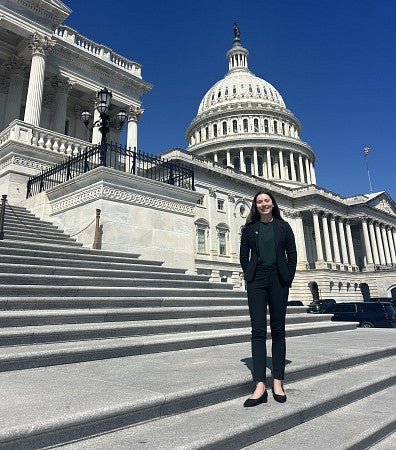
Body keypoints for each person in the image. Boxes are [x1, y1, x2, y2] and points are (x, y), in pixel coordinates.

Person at [239, 190, 297, 407]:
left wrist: (288, 276)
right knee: (258, 331)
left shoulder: (284, 226)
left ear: (273, 204)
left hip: (278, 278)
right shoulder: (250, 229)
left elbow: (292, 254)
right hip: (257, 278)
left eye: (267, 201)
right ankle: (260, 385)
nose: (263, 204)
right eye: (259, 201)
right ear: (256, 205)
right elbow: (243, 255)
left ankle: (278, 381)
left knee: (279, 330)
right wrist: (249, 275)